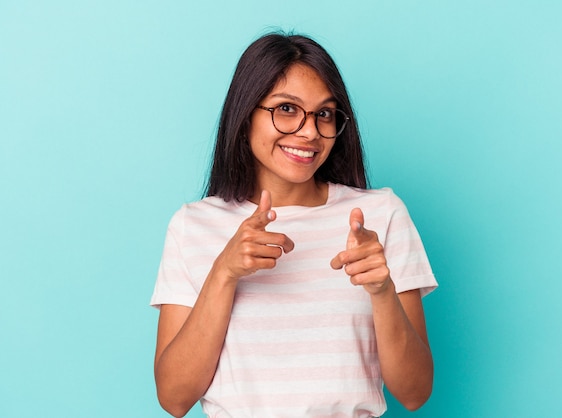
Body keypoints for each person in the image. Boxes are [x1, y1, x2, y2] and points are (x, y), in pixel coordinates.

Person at [150, 32, 438, 418]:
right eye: (286, 108)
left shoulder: (380, 216)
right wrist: (224, 272)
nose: (309, 132)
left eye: (324, 113)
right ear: (245, 113)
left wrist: (382, 290)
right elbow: (174, 398)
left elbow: (415, 392)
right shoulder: (194, 225)